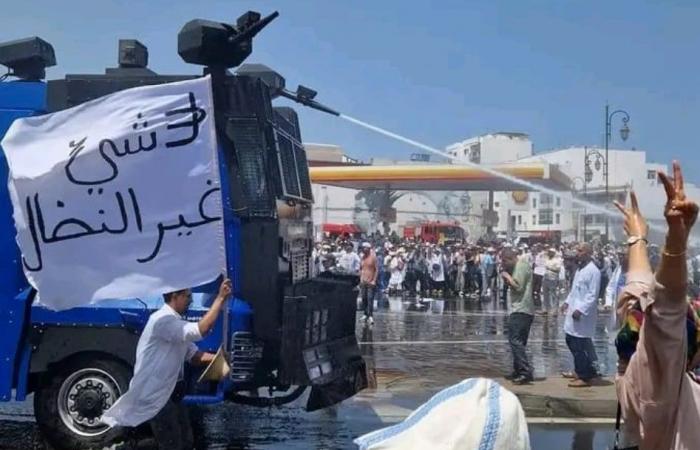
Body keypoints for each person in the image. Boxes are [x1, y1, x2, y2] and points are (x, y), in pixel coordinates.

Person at [613, 162, 700, 449]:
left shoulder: (630, 381)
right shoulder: (660, 391)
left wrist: (637, 238)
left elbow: (638, 294)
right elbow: (665, 310)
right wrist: (676, 241)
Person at [102, 279, 232, 449]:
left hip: (171, 393)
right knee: (170, 444)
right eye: (187, 296)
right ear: (174, 296)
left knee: (185, 441)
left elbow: (193, 356)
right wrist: (220, 298)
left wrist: (224, 360)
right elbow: (201, 330)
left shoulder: (175, 324)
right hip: (155, 394)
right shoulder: (163, 321)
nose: (191, 300)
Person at [561, 243, 601, 387]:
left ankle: (584, 376)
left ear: (588, 253)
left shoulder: (593, 271)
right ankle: (580, 370)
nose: (577, 253)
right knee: (570, 340)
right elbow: (574, 290)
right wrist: (566, 302)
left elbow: (592, 295)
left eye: (580, 250)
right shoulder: (579, 269)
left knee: (579, 345)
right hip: (573, 310)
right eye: (577, 250)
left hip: (583, 315)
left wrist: (581, 309)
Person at [501, 247, 534, 385]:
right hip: (524, 309)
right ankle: (519, 369)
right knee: (519, 341)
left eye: (504, 262)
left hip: (520, 308)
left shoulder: (520, 266)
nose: (504, 265)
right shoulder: (521, 266)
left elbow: (518, 287)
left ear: (510, 258)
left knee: (515, 340)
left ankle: (525, 371)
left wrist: (507, 277)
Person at [603, 248, 628, 338]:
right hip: (617, 306)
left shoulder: (635, 271)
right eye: (619, 255)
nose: (620, 257)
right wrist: (608, 303)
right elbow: (610, 287)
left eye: (623, 255)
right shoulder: (618, 269)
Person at [359, 242, 378, 325]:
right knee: (364, 298)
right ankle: (365, 314)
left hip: (371, 281)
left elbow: (376, 269)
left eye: (364, 248)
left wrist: (374, 280)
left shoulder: (373, 257)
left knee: (370, 298)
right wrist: (360, 278)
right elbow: (361, 268)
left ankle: (370, 315)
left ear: (368, 248)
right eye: (362, 248)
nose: (363, 249)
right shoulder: (362, 257)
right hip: (363, 280)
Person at [542, 247, 562, 314]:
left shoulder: (557, 260)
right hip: (546, 277)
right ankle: (546, 309)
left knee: (553, 294)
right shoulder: (547, 259)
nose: (549, 253)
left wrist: (550, 268)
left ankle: (554, 309)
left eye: (550, 252)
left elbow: (558, 270)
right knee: (545, 294)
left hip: (553, 278)